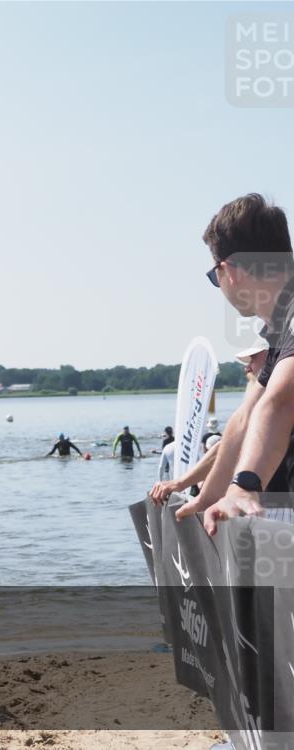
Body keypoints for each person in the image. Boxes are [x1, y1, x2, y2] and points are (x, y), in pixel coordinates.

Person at [177, 193, 294, 533]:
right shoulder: (279, 328)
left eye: (215, 277)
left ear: (230, 271)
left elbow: (281, 402)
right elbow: (246, 417)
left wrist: (243, 486)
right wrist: (209, 496)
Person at [150, 341, 271, 503]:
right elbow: (229, 446)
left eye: (253, 359)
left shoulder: (275, 401)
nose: (247, 368)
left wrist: (181, 484)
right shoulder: (266, 400)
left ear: (272, 358)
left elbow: (230, 447)